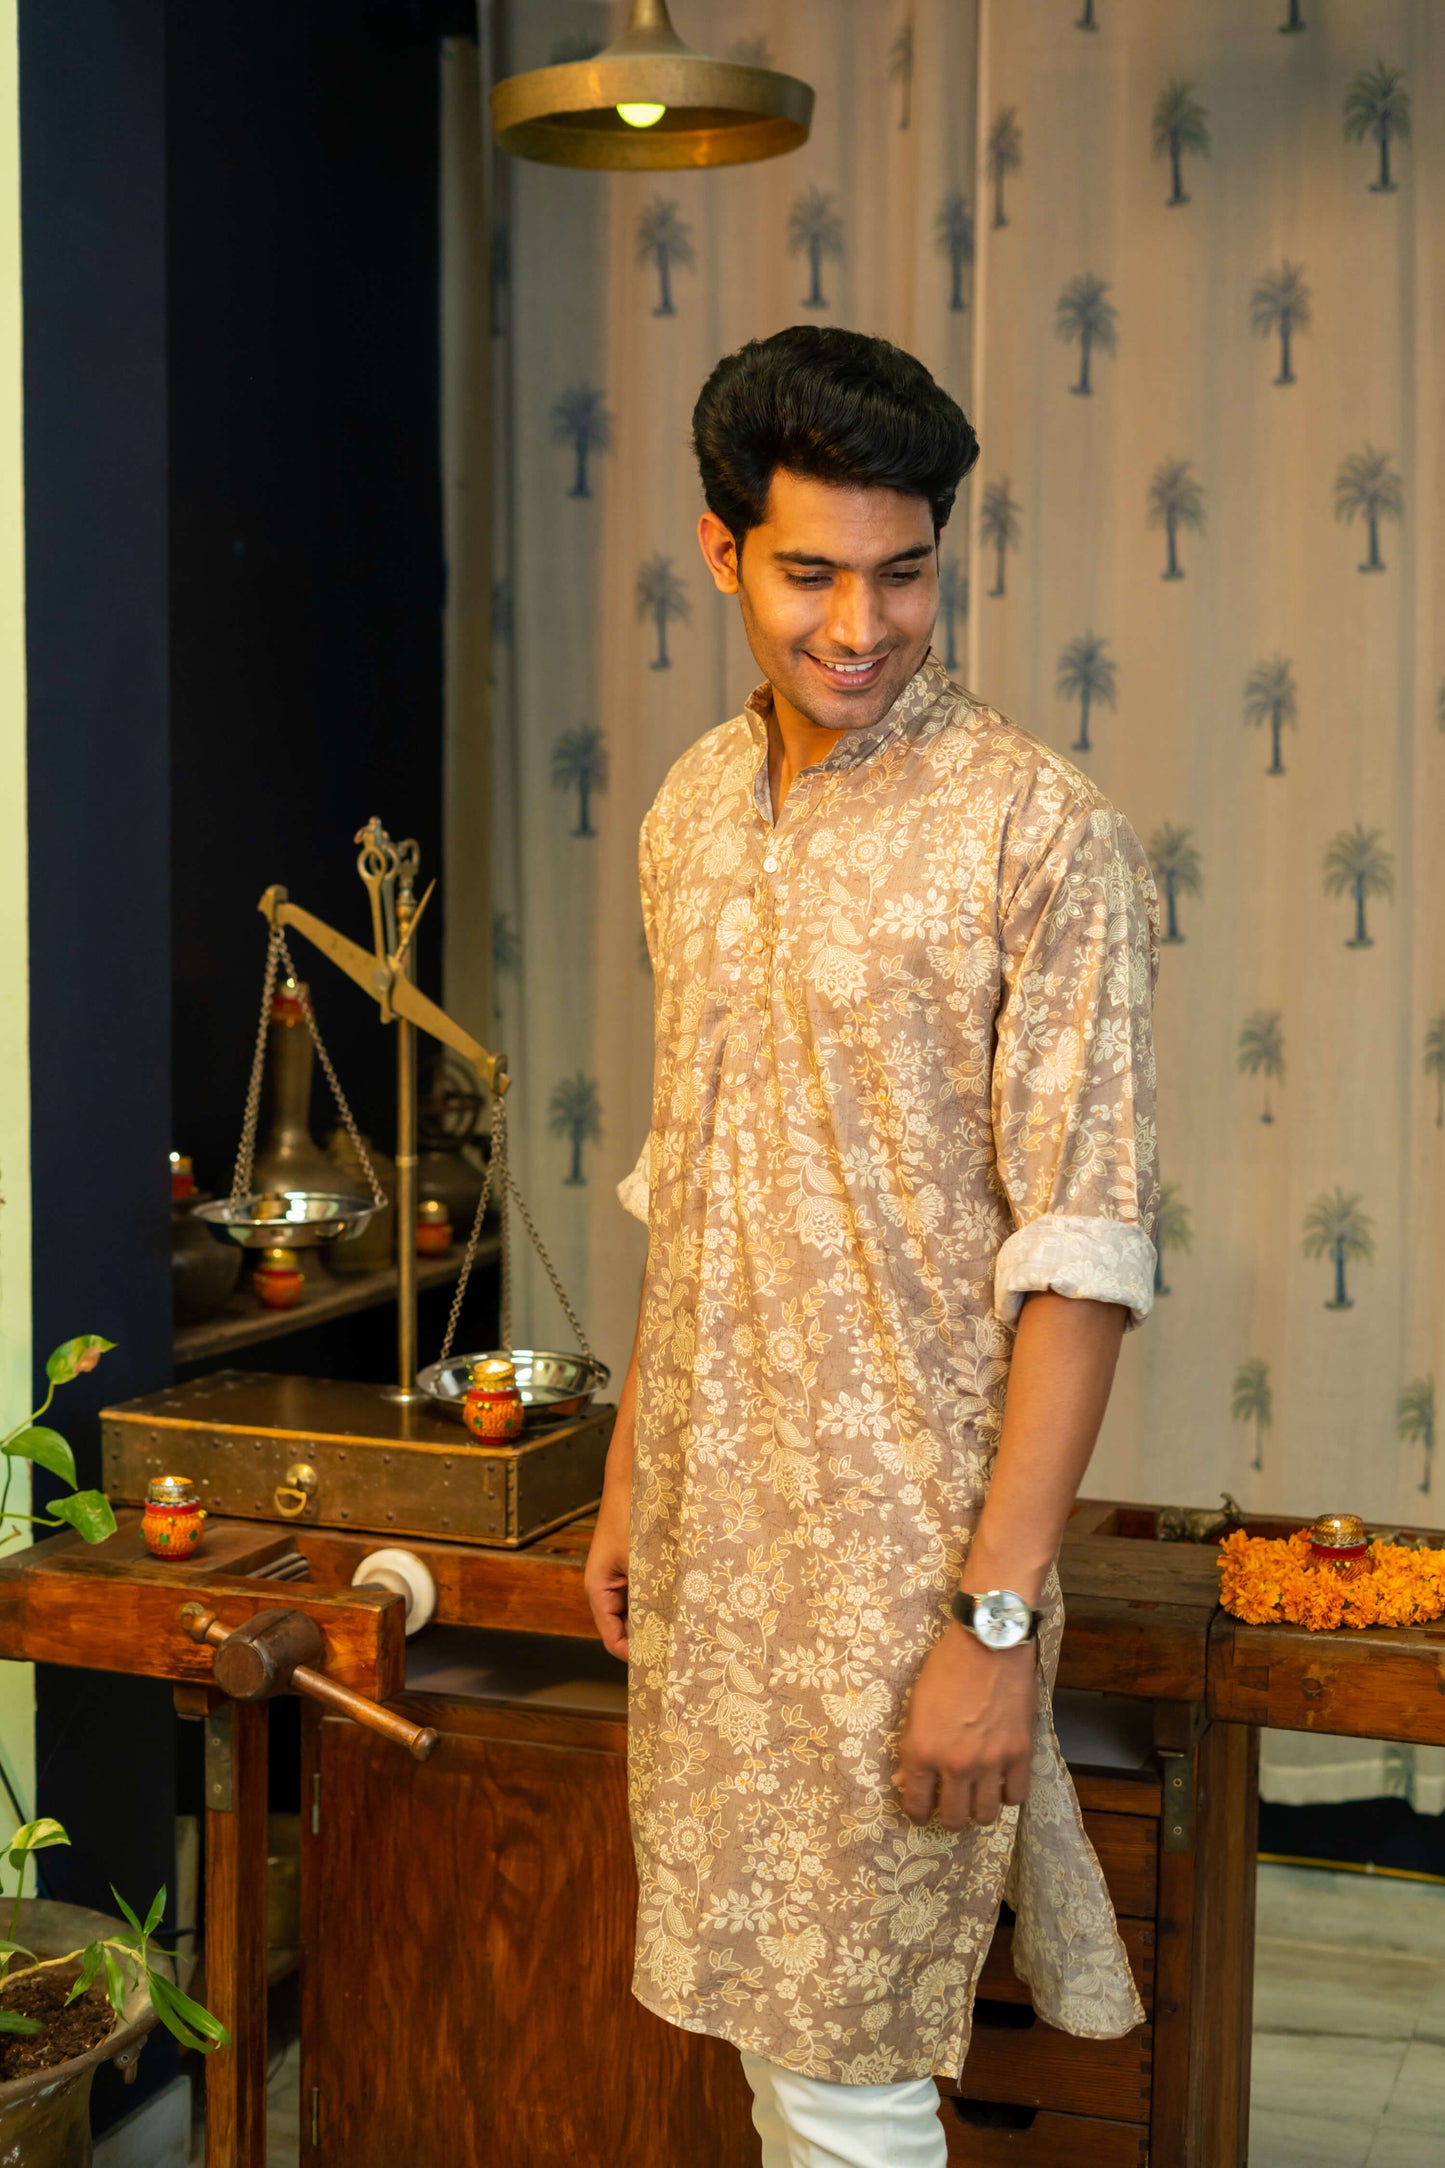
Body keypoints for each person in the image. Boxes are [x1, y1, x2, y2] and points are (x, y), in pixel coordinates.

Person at [585, 323, 1159, 2168]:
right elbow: (700, 1180)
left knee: (846, 2067)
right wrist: (623, 1479)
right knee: (769, 2023)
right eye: (810, 572)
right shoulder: (686, 814)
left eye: (902, 573)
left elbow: (1080, 1247)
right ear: (718, 548)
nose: (858, 625)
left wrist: (991, 1621)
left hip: (902, 1563)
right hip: (707, 1536)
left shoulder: (1033, 829)